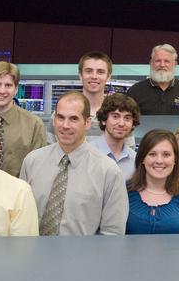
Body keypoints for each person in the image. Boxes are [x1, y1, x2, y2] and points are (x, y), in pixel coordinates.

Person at [20, 92, 128, 236]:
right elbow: (20, 219)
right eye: (60, 118)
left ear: (88, 122)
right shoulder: (32, 162)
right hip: (32, 255)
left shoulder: (108, 172)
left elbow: (113, 233)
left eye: (74, 119)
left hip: (83, 257)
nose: (65, 125)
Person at [125, 129, 179, 235]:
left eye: (166, 155)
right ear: (142, 158)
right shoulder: (123, 193)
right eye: (152, 154)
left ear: (175, 159)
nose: (159, 161)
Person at [0, 61, 46, 176]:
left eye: (8, 85)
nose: (2, 91)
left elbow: (39, 169)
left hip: (19, 191)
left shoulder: (34, 125)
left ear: (15, 89)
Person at [124, 43, 179, 116]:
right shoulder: (135, 91)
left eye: (167, 61)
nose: (162, 65)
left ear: (175, 64)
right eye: (158, 61)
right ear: (151, 63)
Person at [91, 93, 139, 178]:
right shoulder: (87, 154)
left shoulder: (135, 160)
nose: (121, 123)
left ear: (133, 123)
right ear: (103, 120)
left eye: (127, 118)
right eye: (115, 116)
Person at [78, 51, 113, 119]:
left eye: (100, 72)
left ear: (108, 77)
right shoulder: (65, 110)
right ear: (80, 75)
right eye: (88, 71)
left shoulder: (117, 112)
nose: (94, 76)